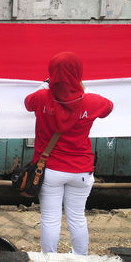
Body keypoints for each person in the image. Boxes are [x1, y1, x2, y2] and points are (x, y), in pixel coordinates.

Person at [24, 51, 113, 255]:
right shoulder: (91, 102)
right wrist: (83, 86)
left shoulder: (41, 97)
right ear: (78, 74)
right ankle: (80, 258)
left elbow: (28, 103)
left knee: (50, 218)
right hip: (81, 171)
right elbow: (109, 107)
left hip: (49, 171)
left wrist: (46, 84)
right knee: (77, 217)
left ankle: (48, 259)